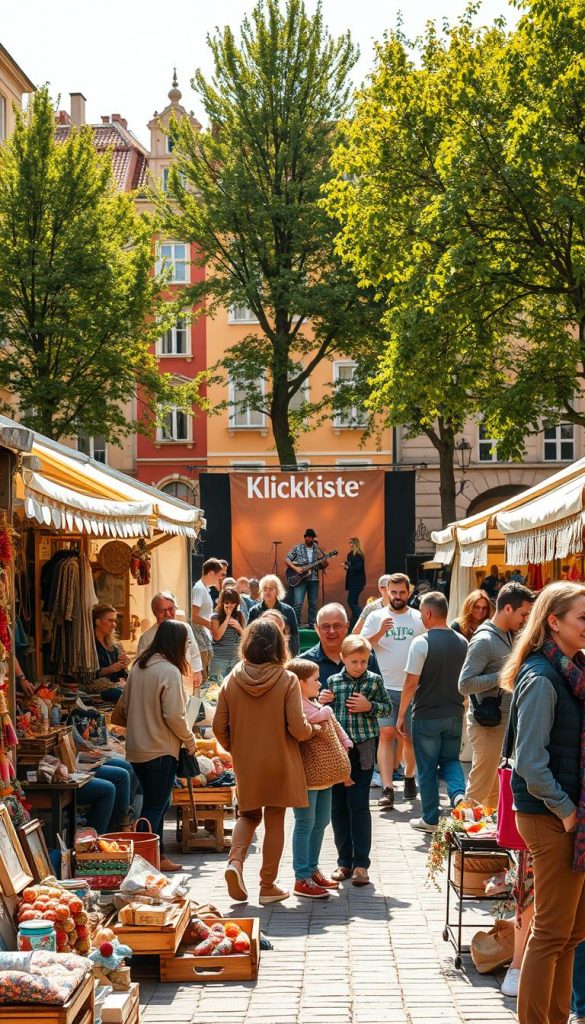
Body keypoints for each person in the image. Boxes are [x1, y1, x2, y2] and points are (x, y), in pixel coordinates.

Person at [500, 582, 585, 1024]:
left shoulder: (571, 670)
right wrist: (567, 810)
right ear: (554, 622)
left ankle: (555, 1017)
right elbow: (529, 762)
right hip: (551, 814)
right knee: (552, 932)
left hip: (567, 815)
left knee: (572, 933)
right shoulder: (542, 676)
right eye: (582, 619)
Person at [213, 619, 319, 905]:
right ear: (279, 646)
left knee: (247, 816)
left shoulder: (232, 677)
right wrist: (313, 731)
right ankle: (267, 886)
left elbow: (217, 725)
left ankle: (235, 862)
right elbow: (298, 727)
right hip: (281, 760)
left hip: (246, 762)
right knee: (275, 819)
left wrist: (235, 748)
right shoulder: (287, 680)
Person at [122, 619, 198, 873]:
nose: (187, 648)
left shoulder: (138, 668)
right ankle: (145, 859)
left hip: (136, 748)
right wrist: (189, 739)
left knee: (155, 803)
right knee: (156, 805)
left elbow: (121, 710)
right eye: (186, 642)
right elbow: (175, 716)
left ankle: (155, 855)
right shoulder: (169, 671)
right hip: (160, 749)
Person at [396, 592, 468, 831]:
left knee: (426, 767)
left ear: (427, 613)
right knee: (450, 760)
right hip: (454, 712)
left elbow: (410, 683)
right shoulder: (463, 641)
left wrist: (401, 714)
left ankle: (430, 818)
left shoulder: (421, 642)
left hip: (426, 714)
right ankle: (458, 797)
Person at [458, 581, 534, 807]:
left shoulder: (507, 634)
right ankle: (455, 835)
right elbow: (465, 684)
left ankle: (490, 836)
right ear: (508, 609)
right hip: (488, 725)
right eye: (523, 613)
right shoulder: (485, 640)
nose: (525, 619)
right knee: (478, 789)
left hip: (500, 723)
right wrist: (504, 676)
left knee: (492, 790)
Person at [326, 636, 392, 887]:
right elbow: (325, 712)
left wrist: (369, 706)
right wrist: (321, 700)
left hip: (363, 748)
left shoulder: (374, 680)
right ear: (343, 658)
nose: (359, 666)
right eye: (354, 661)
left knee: (359, 803)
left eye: (363, 661)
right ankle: (344, 861)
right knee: (338, 805)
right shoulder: (334, 681)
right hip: (338, 750)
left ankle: (361, 863)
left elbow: (386, 707)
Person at [287, 658, 353, 899]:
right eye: (315, 679)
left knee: (321, 820)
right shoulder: (297, 704)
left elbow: (332, 724)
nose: (320, 683)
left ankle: (312, 869)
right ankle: (301, 876)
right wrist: (325, 711)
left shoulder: (311, 701)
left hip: (324, 774)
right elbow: (309, 723)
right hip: (307, 773)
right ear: (300, 683)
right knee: (305, 822)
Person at [362, 574, 425, 810]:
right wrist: (379, 632)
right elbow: (361, 646)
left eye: (401, 592)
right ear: (386, 592)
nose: (397, 597)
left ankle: (409, 776)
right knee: (386, 734)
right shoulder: (375, 616)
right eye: (393, 592)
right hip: (384, 688)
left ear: (408, 593)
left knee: (408, 739)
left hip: (413, 688)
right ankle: (388, 788)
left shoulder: (418, 617)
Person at [72, 725, 138, 833]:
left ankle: (122, 820)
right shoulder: (70, 723)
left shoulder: (74, 721)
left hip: (83, 760)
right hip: (79, 765)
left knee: (127, 769)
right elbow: (81, 743)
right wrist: (91, 749)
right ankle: (115, 827)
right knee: (112, 784)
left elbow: (82, 744)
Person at [137, 591, 202, 690]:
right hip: (160, 685)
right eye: (163, 610)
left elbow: (194, 650)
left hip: (185, 680)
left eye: (171, 609)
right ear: (155, 612)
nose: (168, 613)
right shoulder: (146, 638)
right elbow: (142, 666)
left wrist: (197, 671)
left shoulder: (185, 628)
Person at [304, 603, 379, 686]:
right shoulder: (305, 662)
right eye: (326, 626)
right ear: (317, 629)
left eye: (337, 626)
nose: (331, 631)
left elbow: (380, 695)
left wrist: (367, 700)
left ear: (347, 626)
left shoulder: (365, 655)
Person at [285, 528, 328, 628]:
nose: (310, 539)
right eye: (309, 537)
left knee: (313, 604)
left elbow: (325, 565)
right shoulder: (298, 548)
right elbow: (287, 559)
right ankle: (296, 625)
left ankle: (311, 624)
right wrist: (296, 569)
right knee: (298, 604)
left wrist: (322, 555)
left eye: (312, 537)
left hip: (314, 579)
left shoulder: (317, 550)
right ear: (305, 537)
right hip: (300, 580)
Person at [247, 574, 300, 655]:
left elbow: (294, 635)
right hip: (261, 653)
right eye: (265, 589)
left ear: (277, 590)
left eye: (270, 588)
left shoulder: (288, 610)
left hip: (283, 653)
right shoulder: (254, 611)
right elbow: (249, 635)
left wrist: (293, 655)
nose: (267, 591)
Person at [191, 558, 224, 678]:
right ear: (211, 573)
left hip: (204, 633)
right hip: (199, 634)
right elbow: (193, 615)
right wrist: (211, 626)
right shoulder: (199, 589)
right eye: (219, 575)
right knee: (204, 665)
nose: (220, 578)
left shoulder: (204, 588)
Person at [89, 604, 130, 701]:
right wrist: (110, 669)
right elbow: (87, 676)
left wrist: (123, 665)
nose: (114, 624)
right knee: (123, 695)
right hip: (98, 688)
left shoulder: (115, 645)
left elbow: (120, 674)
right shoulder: (90, 646)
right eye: (110, 620)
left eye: (114, 620)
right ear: (97, 622)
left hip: (115, 685)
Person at [210, 586, 245, 678]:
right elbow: (217, 636)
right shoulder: (215, 617)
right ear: (222, 603)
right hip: (219, 660)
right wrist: (227, 617)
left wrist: (239, 627)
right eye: (227, 603)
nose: (229, 605)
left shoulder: (240, 616)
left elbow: (245, 638)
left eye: (232, 603)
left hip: (235, 661)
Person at [343, 537, 366, 630]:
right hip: (351, 581)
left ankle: (362, 617)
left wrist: (347, 567)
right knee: (354, 601)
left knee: (351, 601)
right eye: (349, 542)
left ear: (356, 544)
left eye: (352, 543)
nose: (350, 544)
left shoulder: (359, 555)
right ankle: (354, 625)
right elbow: (350, 566)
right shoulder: (349, 554)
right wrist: (346, 566)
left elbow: (358, 568)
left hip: (358, 582)